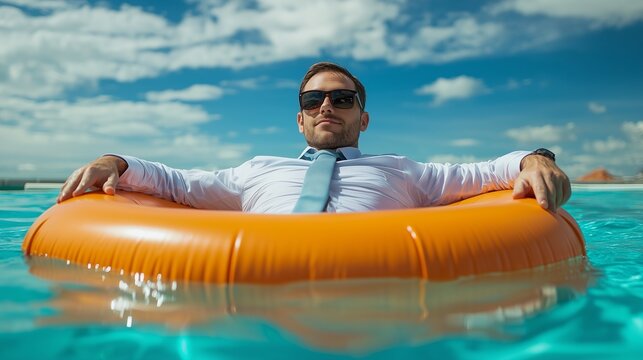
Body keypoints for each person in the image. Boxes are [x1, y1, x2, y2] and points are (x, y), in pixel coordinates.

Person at [57, 62, 571, 213]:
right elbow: (178, 182)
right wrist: (115, 161)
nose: (327, 106)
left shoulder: (406, 172)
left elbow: (485, 171)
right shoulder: (255, 171)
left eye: (343, 99)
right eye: (312, 101)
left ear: (363, 119)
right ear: (299, 120)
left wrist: (536, 158)